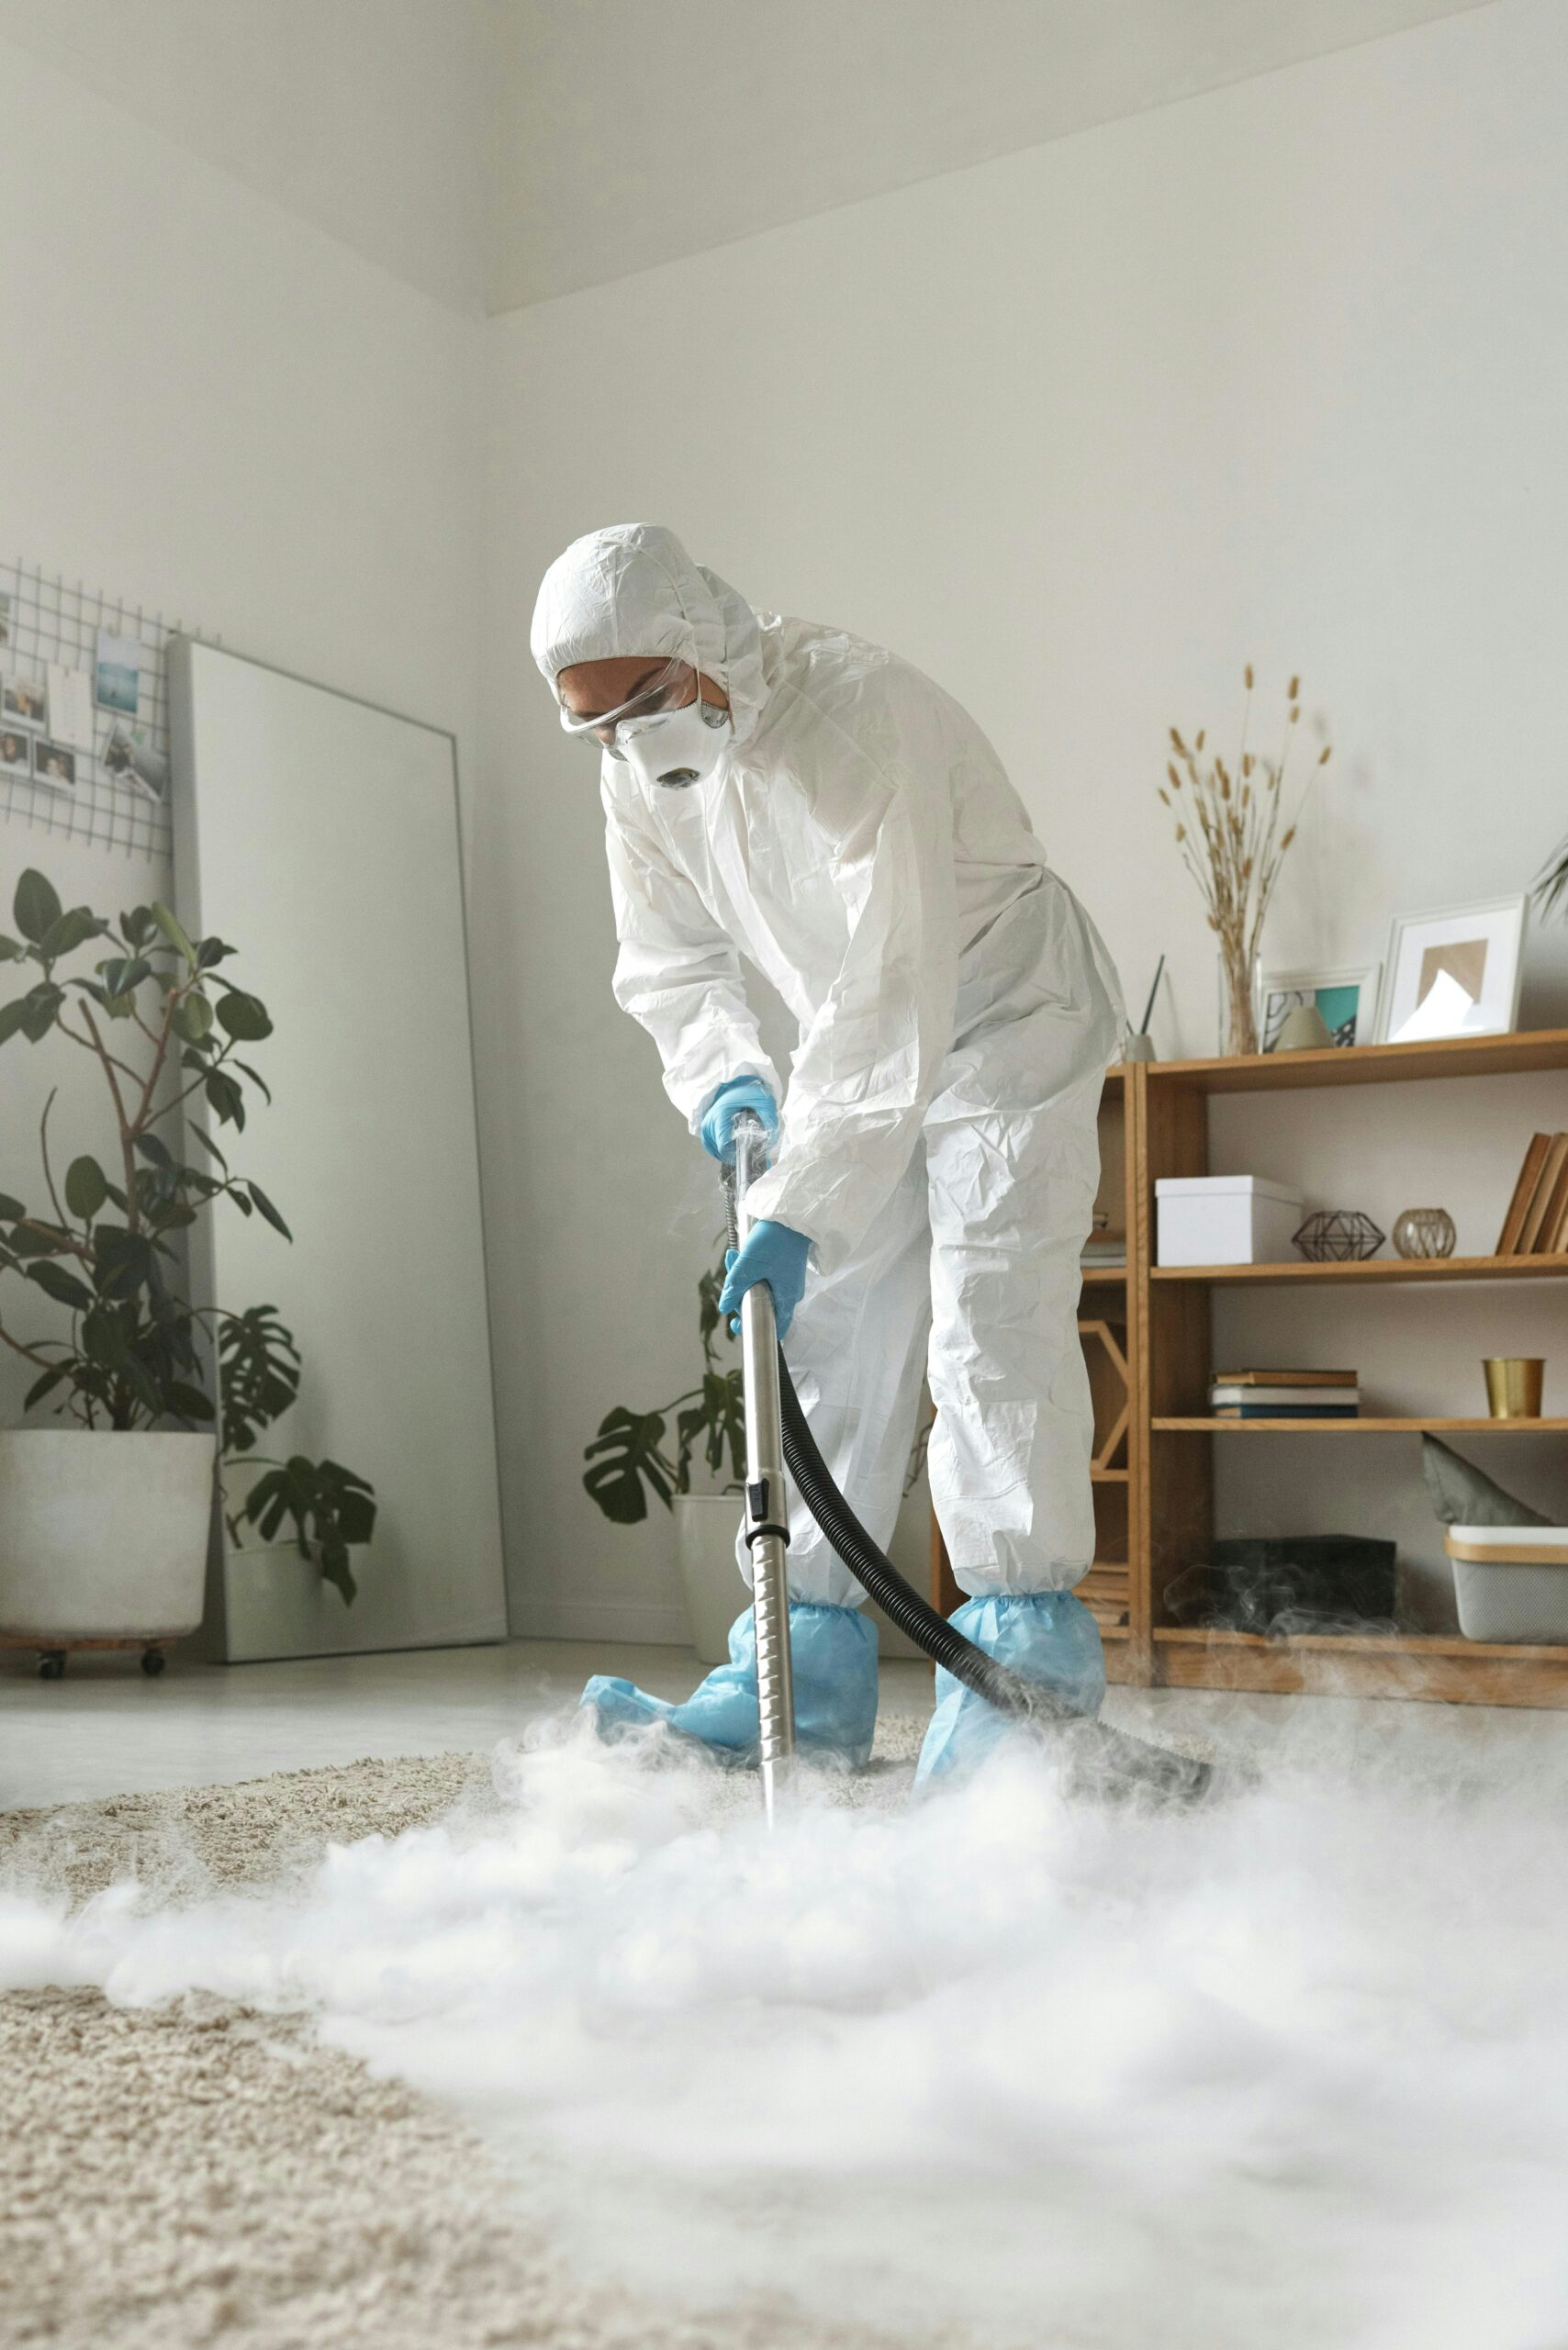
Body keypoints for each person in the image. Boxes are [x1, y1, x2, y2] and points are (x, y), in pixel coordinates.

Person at [532, 523, 1123, 1782]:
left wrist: (801, 1201)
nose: (632, 738)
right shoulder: (636, 772)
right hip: (858, 1035)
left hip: (1006, 1013)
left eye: (646, 699)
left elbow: (900, 972)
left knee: (991, 1316)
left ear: (697, 641)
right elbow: (670, 958)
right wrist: (726, 1076)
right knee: (837, 1332)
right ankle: (802, 1674)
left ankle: (1024, 1680)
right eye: (599, 724)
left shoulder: (855, 714)